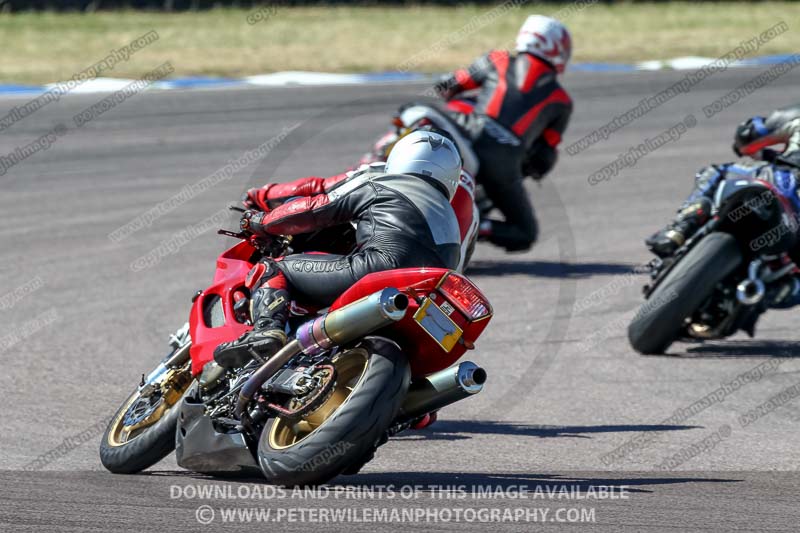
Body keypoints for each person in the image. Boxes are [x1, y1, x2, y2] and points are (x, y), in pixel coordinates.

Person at [213, 131, 464, 369]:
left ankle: (266, 331)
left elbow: (315, 209)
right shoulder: (453, 222)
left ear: (401, 157)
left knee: (274, 268)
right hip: (424, 298)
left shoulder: (380, 182)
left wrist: (260, 222)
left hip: (376, 271)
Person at [433, 14, 573, 252]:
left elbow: (448, 83)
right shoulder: (562, 101)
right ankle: (476, 225)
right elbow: (544, 158)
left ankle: (386, 156)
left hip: (466, 133)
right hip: (503, 165)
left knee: (420, 117)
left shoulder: (497, 59)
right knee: (525, 233)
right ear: (555, 48)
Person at [645, 104, 800, 310]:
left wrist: (751, 148)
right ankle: (775, 291)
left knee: (717, 172)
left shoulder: (795, 118)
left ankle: (681, 227)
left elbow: (747, 135)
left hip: (780, 181)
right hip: (782, 199)